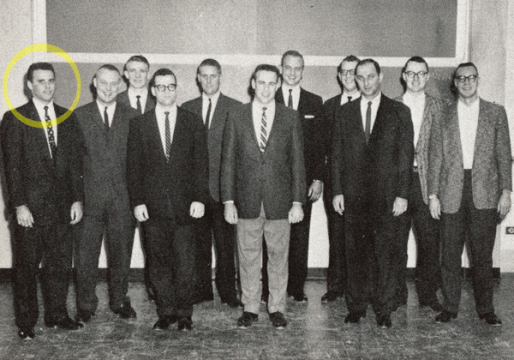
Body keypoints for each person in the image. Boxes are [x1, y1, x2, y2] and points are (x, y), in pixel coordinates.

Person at [1, 62, 84, 339]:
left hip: (62, 209)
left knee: (60, 266)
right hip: (30, 211)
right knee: (26, 268)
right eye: (41, 81)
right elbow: (10, 167)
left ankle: (57, 315)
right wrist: (19, 204)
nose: (47, 86)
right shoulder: (14, 118)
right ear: (29, 85)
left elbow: (74, 165)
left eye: (51, 81)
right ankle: (26, 322)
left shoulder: (67, 117)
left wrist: (77, 200)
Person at [221, 64, 306, 329]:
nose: (266, 89)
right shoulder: (236, 115)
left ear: (278, 84)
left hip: (280, 202)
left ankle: (277, 308)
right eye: (262, 83)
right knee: (247, 257)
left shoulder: (290, 117)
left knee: (279, 258)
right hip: (246, 200)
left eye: (272, 83)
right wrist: (228, 201)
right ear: (253, 83)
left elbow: (298, 163)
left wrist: (297, 201)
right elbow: (228, 162)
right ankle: (250, 308)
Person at [332, 58, 413, 328]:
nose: (365, 82)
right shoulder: (345, 113)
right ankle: (355, 306)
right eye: (360, 77)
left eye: (370, 76)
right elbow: (337, 156)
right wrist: (338, 191)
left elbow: (405, 156)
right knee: (354, 253)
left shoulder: (399, 112)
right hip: (354, 197)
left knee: (384, 254)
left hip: (387, 198)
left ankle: (383, 307)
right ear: (354, 79)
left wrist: (402, 194)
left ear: (380, 77)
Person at [428, 62, 511, 326]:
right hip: (451, 190)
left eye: (471, 77)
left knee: (483, 256)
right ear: (454, 83)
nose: (466, 82)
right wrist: (433, 195)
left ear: (478, 80)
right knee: (449, 255)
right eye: (461, 78)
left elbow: (503, 156)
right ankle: (450, 307)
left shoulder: (496, 113)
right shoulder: (442, 114)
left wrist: (506, 192)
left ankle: (486, 309)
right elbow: (435, 157)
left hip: (485, 192)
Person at [127, 68, 209, 331]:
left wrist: (199, 198)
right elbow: (133, 167)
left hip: (186, 207)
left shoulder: (193, 121)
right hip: (152, 209)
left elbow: (201, 165)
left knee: (186, 264)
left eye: (170, 86)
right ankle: (166, 312)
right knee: (158, 263)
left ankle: (185, 314)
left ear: (177, 89)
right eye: (160, 87)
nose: (165, 91)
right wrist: (137, 201)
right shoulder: (139, 124)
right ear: (152, 90)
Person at [74, 64, 139, 323]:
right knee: (86, 255)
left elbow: (138, 162)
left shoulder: (133, 116)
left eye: (114, 84)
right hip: (89, 200)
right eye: (103, 83)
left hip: (123, 199)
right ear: (94, 82)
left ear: (121, 85)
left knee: (121, 254)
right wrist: (77, 199)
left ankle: (119, 300)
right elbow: (73, 163)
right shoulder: (78, 116)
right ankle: (86, 304)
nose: (109, 89)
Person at [261, 50, 324, 303]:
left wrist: (318, 178)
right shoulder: (267, 96)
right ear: (280, 68)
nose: (292, 73)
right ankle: (267, 289)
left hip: (303, 182)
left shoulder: (314, 101)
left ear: (303, 70)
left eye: (298, 68)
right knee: (270, 237)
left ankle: (296, 287)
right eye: (288, 67)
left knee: (299, 236)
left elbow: (319, 145)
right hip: (273, 182)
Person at [182, 59, 242, 308]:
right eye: (203, 76)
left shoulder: (236, 108)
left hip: (224, 190)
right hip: (196, 191)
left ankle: (228, 291)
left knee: (226, 245)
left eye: (213, 76)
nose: (208, 81)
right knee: (198, 244)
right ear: (197, 77)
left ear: (220, 77)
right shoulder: (186, 108)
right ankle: (201, 289)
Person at [321, 55, 360, 303]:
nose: (348, 77)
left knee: (361, 237)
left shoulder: (371, 105)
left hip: (362, 185)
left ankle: (359, 288)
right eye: (344, 72)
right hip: (335, 182)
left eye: (353, 72)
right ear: (338, 75)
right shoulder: (329, 106)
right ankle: (336, 287)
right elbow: (325, 148)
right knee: (336, 236)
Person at [117, 55, 156, 302]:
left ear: (148, 73)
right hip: (121, 185)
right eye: (133, 70)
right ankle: (120, 296)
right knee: (121, 245)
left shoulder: (161, 99)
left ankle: (156, 290)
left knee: (154, 243)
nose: (138, 75)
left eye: (143, 70)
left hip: (152, 186)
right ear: (125, 73)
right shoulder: (115, 100)